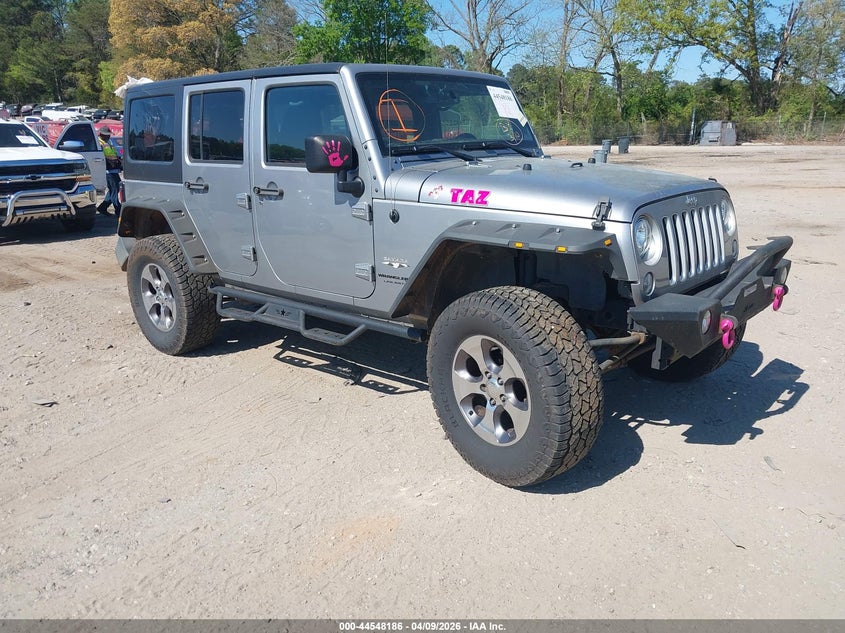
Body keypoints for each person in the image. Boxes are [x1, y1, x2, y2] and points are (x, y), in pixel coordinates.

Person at [97, 127, 122, 216]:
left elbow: (112, 154)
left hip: (113, 169)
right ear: (102, 134)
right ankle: (118, 209)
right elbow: (101, 157)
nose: (108, 136)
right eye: (107, 135)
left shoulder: (108, 142)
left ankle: (102, 207)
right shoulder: (99, 143)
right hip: (108, 171)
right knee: (114, 189)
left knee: (114, 189)